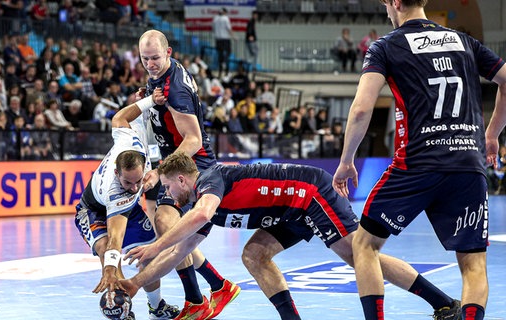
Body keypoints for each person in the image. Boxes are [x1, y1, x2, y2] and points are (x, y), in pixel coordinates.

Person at [120, 152, 460, 320]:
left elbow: (201, 216)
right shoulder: (201, 199)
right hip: (288, 211)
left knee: (360, 256)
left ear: (181, 179)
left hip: (310, 193)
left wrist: (153, 244)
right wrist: (137, 282)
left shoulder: (211, 182)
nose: (168, 195)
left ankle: (444, 304)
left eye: (167, 187)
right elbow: (180, 252)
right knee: (254, 255)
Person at [331, 1, 506, 319]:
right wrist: (492, 134)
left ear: (396, 3)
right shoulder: (464, 42)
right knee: (473, 264)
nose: (386, 10)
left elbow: (360, 109)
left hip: (416, 164)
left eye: (385, 3)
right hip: (467, 163)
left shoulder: (386, 46)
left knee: (365, 245)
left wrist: (346, 160)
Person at [103, 29, 240, 320]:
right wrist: (147, 100)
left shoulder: (175, 89)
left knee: (167, 223)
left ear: (169, 53)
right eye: (144, 59)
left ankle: (198, 298)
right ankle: (215, 287)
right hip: (174, 163)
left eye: (155, 58)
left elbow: (194, 139)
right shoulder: (162, 77)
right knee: (168, 228)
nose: (150, 64)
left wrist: (158, 170)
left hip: (193, 166)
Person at [75, 97, 180, 320]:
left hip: (128, 210)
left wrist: (151, 99)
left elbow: (119, 117)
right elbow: (116, 240)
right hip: (93, 209)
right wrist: (109, 269)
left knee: (148, 255)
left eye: (137, 182)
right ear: (117, 173)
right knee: (107, 252)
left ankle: (156, 306)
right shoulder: (117, 192)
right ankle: (123, 311)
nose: (134, 188)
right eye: (127, 183)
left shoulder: (128, 139)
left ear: (144, 165)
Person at [212, 7, 234, 78]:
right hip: (225, 39)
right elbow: (229, 29)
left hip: (218, 39)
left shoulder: (215, 19)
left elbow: (213, 28)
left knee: (220, 55)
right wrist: (233, 36)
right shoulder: (225, 18)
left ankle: (220, 70)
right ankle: (225, 68)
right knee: (228, 53)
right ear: (224, 12)